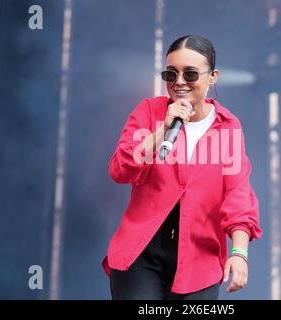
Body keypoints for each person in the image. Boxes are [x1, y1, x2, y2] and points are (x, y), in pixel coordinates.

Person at [102, 35, 262, 300]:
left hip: (199, 263)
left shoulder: (228, 127)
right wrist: (163, 129)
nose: (179, 82)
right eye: (171, 73)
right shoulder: (148, 112)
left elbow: (238, 195)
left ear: (213, 77)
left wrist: (239, 253)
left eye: (190, 74)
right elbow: (120, 169)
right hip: (141, 256)